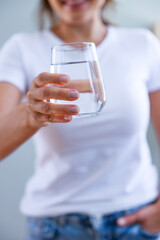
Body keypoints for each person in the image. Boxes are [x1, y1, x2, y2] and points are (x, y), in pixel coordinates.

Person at [1, 0, 160, 239]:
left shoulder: (143, 44)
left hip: (136, 220)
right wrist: (31, 113)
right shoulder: (21, 48)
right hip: (55, 224)